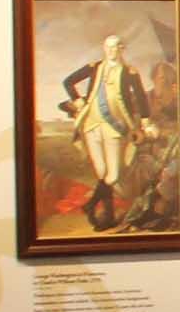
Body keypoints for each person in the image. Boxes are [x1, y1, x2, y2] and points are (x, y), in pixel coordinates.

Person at [61, 33, 155, 233]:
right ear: (104, 48)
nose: (112, 51)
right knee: (102, 172)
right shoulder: (94, 67)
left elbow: (140, 97)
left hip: (115, 126)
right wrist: (77, 99)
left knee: (112, 174)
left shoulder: (130, 72)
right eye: (108, 47)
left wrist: (146, 123)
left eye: (116, 47)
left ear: (122, 49)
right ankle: (108, 216)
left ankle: (91, 204)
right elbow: (68, 82)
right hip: (90, 125)